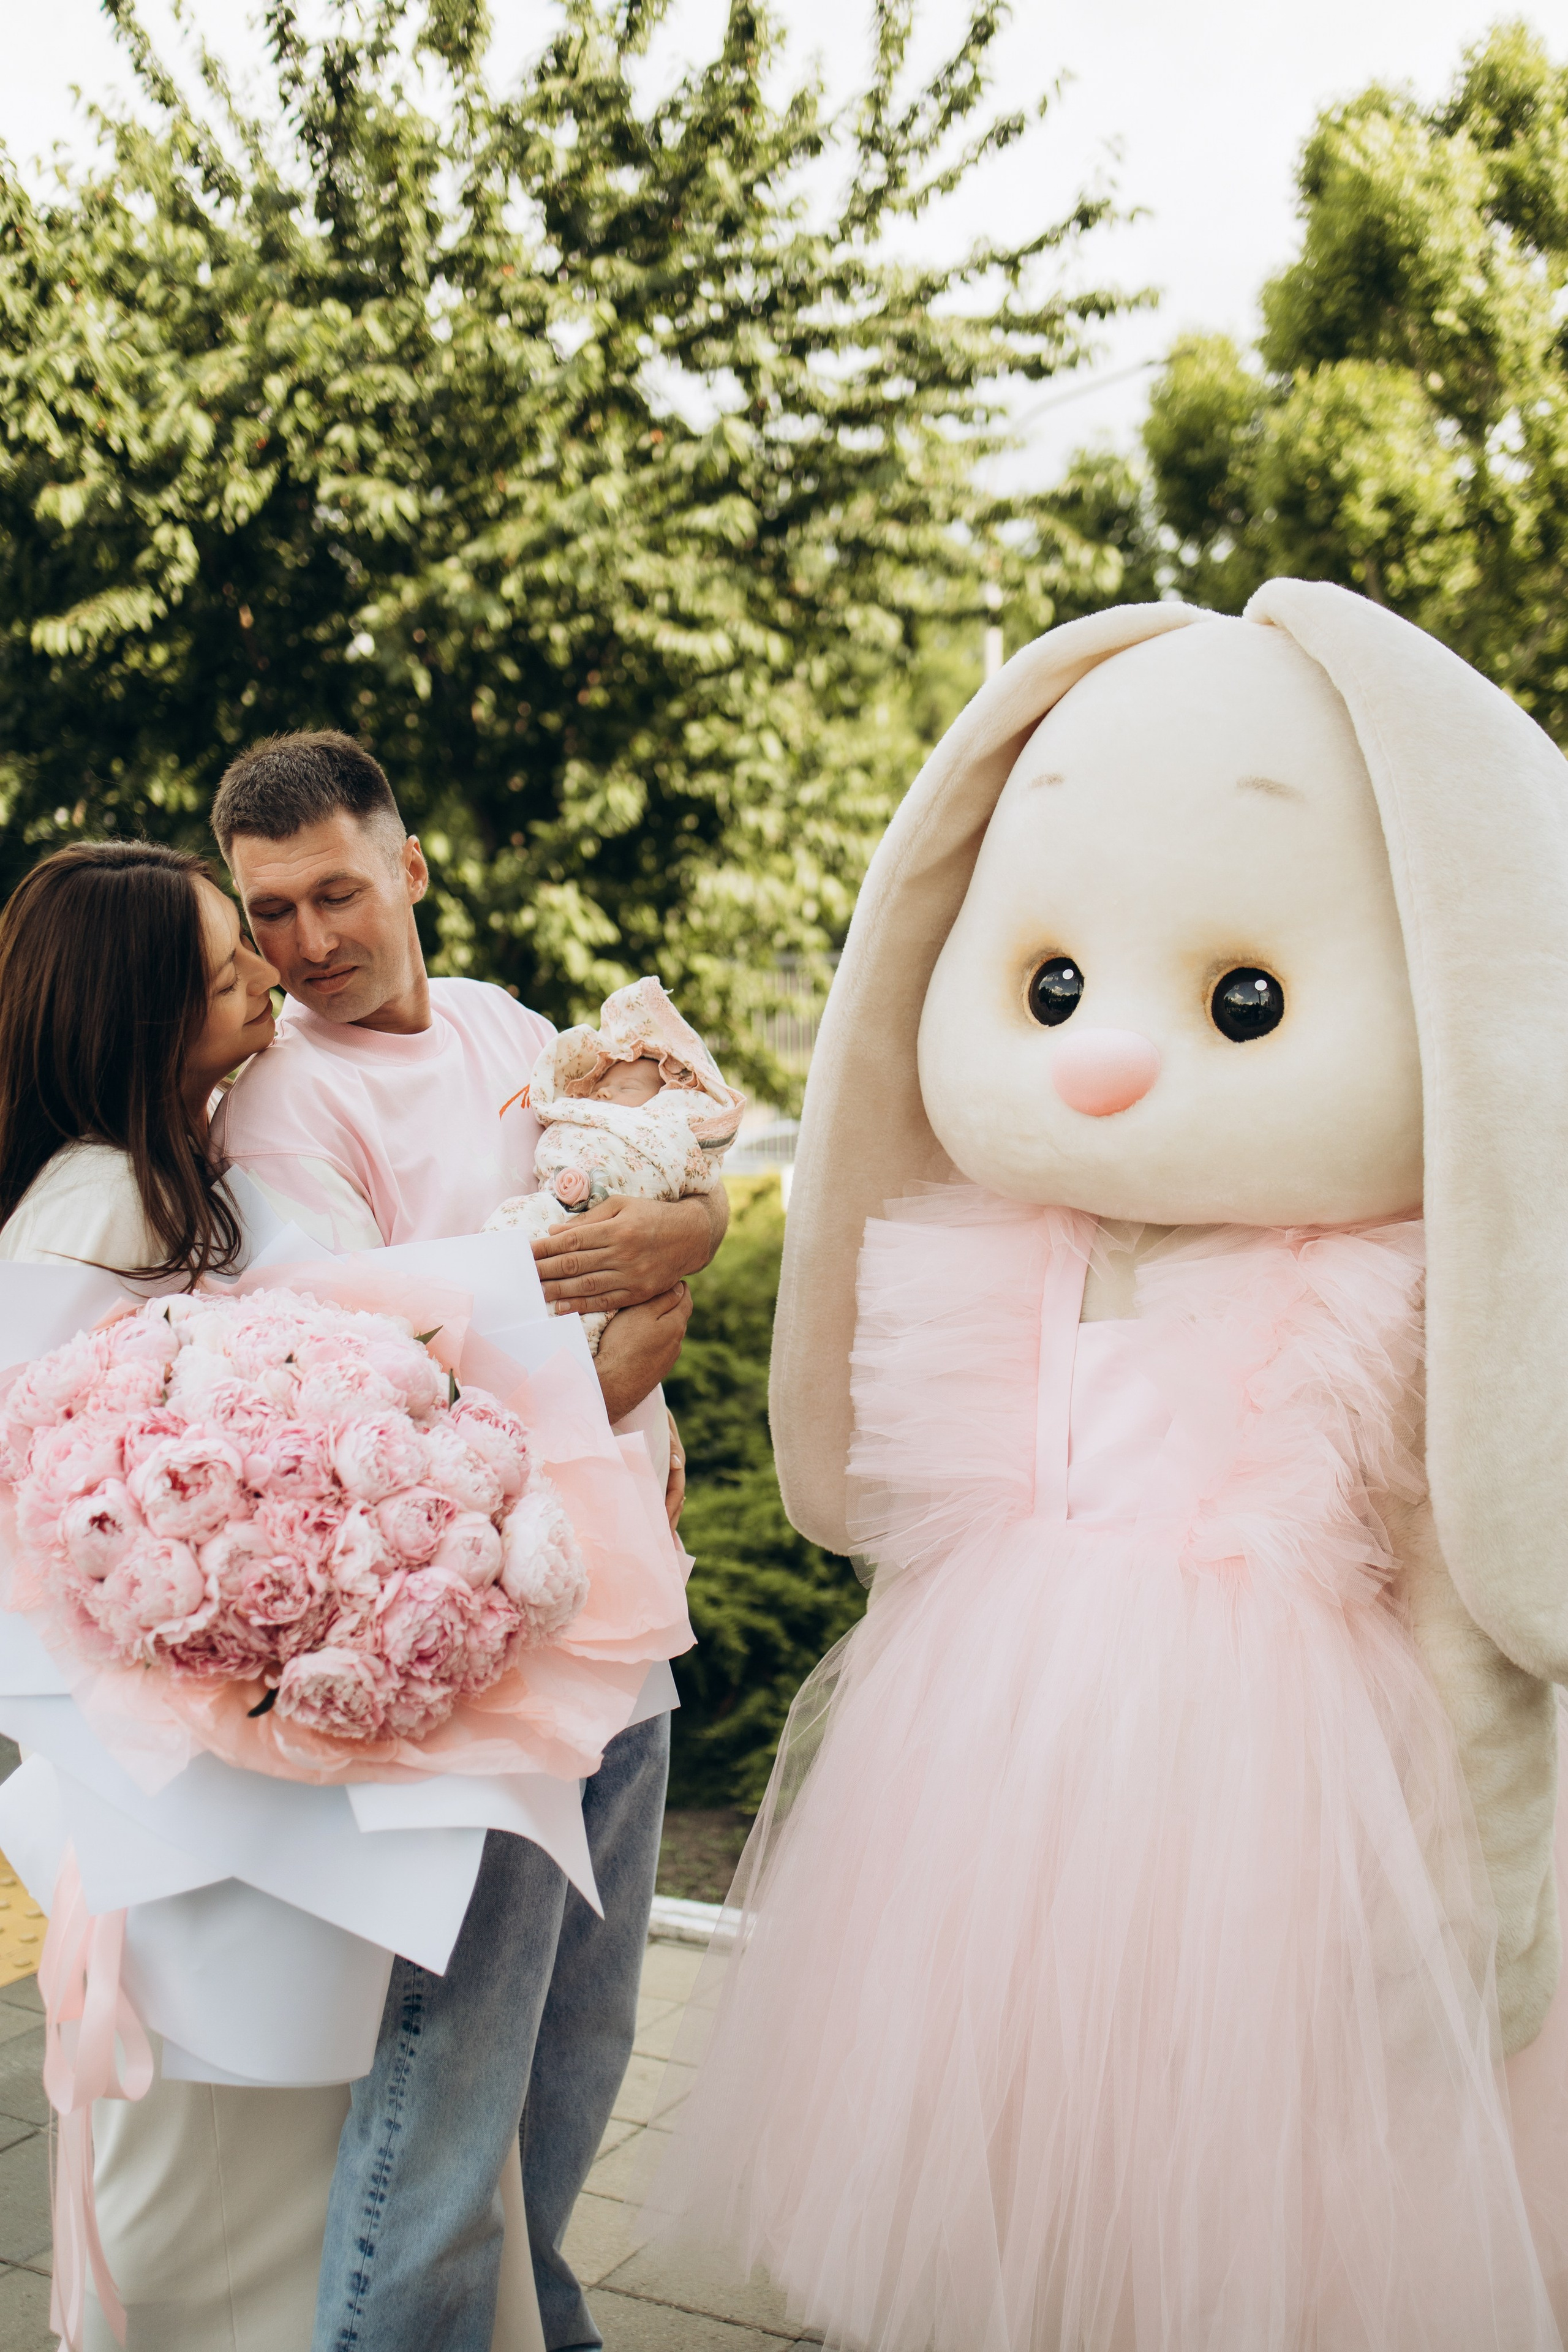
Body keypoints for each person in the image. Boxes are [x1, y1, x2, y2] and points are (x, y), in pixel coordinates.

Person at [209, 728, 722, 2352]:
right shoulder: (277, 1110)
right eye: (269, 912)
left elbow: (658, 1192)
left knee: (584, 2044)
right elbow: (391, 1393)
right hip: (484, 1654)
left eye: (336, 894)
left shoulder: (507, 1027)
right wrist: (638, 1335)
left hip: (630, 1611)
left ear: (411, 870)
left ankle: (540, 2318)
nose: (305, 945)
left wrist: (681, 1245)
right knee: (451, 2072)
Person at [0, 839, 356, 2351]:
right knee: (206, 2162)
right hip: (172, 1773)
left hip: (221, 1758)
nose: (268, 975)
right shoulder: (96, 1208)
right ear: (135, 1012)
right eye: (223, 971)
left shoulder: (171, 1170)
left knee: (267, 2160)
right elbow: (56, 1515)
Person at [485, 974, 745, 1351]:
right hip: (545, 1214)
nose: (605, 1091)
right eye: (603, 1085)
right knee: (513, 1243)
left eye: (627, 1089)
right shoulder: (577, 1111)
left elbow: (700, 1182)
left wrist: (692, 1228)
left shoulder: (663, 1131)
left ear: (663, 1105)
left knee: (586, 1310)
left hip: (611, 1259)